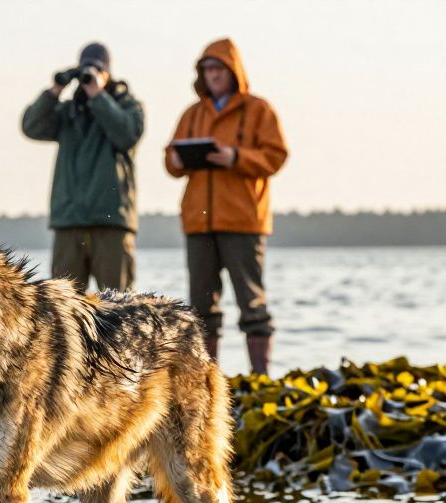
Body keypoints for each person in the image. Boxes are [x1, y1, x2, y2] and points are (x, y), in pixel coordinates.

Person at [166, 38, 287, 375]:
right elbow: (171, 161)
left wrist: (235, 157)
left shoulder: (258, 110)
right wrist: (175, 158)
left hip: (244, 222)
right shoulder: (192, 114)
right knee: (201, 309)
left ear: (233, 71)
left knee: (253, 305)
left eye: (218, 69)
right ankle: (208, 381)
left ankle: (261, 376)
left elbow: (276, 156)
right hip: (198, 223)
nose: (213, 75)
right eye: (207, 70)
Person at [22, 42, 144, 292]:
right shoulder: (68, 113)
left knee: (119, 309)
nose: (89, 77)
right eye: (85, 70)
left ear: (108, 73)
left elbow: (127, 134)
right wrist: (55, 90)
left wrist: (99, 96)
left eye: (97, 69)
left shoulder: (128, 106)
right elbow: (31, 126)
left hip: (111, 222)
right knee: (63, 309)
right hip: (69, 221)